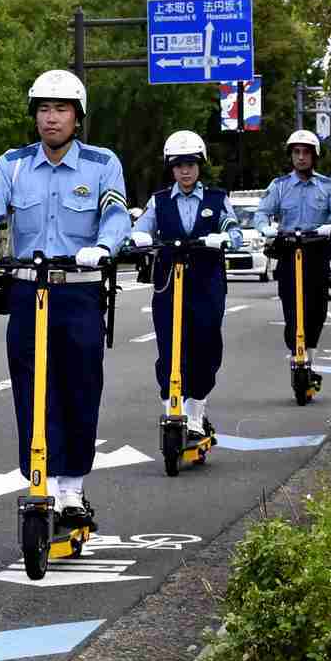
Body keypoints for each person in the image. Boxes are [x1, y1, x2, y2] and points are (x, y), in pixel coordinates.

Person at [0, 69, 130, 520]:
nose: (51, 118)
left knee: (79, 385)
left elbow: (116, 212)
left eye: (61, 110)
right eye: (43, 109)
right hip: (26, 290)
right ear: (34, 116)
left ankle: (73, 486)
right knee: (31, 387)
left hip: (77, 293)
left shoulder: (102, 164)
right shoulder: (13, 164)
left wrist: (102, 247)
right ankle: (40, 475)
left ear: (77, 118)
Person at [128, 130, 242, 438]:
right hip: (168, 284)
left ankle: (196, 413)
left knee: (205, 346)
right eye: (179, 165)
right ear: (171, 168)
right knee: (169, 346)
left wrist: (225, 237)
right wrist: (139, 236)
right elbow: (142, 228)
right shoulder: (160, 201)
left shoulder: (217, 199)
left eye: (191, 163)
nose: (185, 170)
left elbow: (234, 229)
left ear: (200, 164)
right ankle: (171, 408)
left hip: (207, 283)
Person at [252, 129, 331, 379]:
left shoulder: (328, 186)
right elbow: (262, 212)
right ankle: (297, 353)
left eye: (306, 152)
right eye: (296, 152)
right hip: (288, 250)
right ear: (291, 156)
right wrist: (266, 228)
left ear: (314, 156)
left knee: (316, 309)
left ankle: (310, 358)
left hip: (316, 250)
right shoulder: (280, 185)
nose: (301, 157)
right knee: (291, 308)